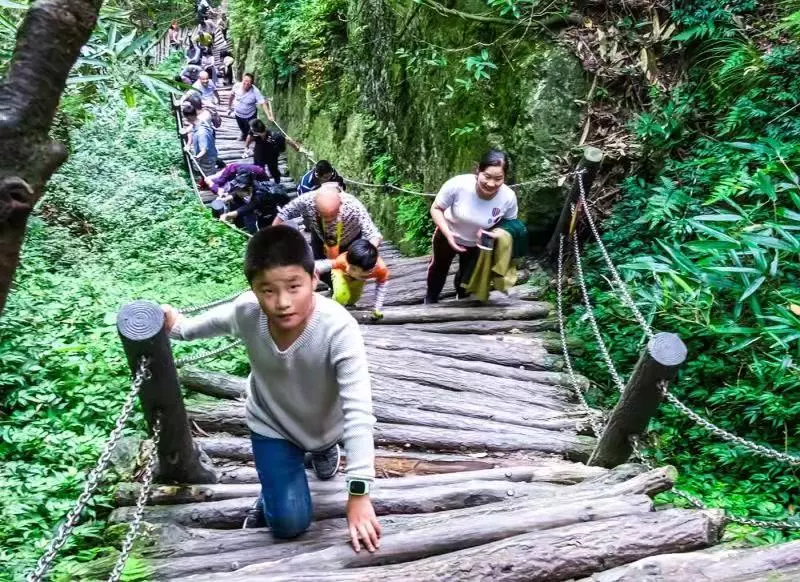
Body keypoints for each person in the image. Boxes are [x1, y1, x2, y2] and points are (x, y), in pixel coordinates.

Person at [162, 226, 381, 551]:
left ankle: (321, 450)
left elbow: (359, 411)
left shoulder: (339, 329)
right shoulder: (247, 311)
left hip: (326, 423)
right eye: (267, 291)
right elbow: (202, 325)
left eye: (294, 287)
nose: (282, 303)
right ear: (252, 288)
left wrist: (359, 492)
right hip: (272, 423)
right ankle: (276, 486)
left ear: (313, 279)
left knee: (322, 444)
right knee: (288, 523)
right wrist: (175, 326)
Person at [425, 149, 518, 303]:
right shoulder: (458, 185)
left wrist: (496, 233)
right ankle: (430, 300)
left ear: (505, 177)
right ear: (478, 171)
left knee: (468, 275)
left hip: (478, 243)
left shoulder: (508, 198)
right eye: (487, 176)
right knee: (438, 268)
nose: (491, 183)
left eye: (498, 179)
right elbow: (436, 208)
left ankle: (462, 303)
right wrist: (448, 233)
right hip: (447, 234)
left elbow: (510, 224)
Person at [274, 182, 382, 261]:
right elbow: (286, 212)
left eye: (333, 216)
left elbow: (373, 234)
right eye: (325, 217)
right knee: (320, 266)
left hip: (349, 242)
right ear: (315, 207)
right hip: (321, 237)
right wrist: (271, 236)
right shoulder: (308, 200)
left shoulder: (353, 206)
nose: (330, 222)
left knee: (348, 272)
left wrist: (368, 254)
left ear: (340, 204)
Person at [315, 239, 389, 320]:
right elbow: (326, 264)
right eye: (348, 265)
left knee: (353, 299)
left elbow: (381, 288)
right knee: (342, 295)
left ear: (368, 271)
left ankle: (346, 301)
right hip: (340, 272)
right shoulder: (343, 261)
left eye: (353, 268)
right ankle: (332, 311)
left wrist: (377, 308)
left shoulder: (381, 269)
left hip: (359, 279)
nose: (347, 268)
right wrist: (311, 268)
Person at [228, 73, 274, 141]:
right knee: (242, 127)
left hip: (250, 115)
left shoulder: (255, 91)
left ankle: (249, 142)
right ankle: (243, 134)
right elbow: (231, 96)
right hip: (238, 114)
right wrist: (229, 106)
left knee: (251, 130)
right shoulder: (236, 86)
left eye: (249, 82)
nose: (247, 83)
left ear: (252, 83)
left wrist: (269, 115)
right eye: (245, 81)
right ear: (242, 79)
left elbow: (263, 103)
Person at [182, 103, 218, 178]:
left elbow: (203, 150)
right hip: (209, 153)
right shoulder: (200, 120)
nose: (185, 119)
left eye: (185, 117)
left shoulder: (201, 133)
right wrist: (188, 145)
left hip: (207, 158)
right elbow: (192, 130)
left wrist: (195, 157)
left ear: (189, 117)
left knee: (209, 176)